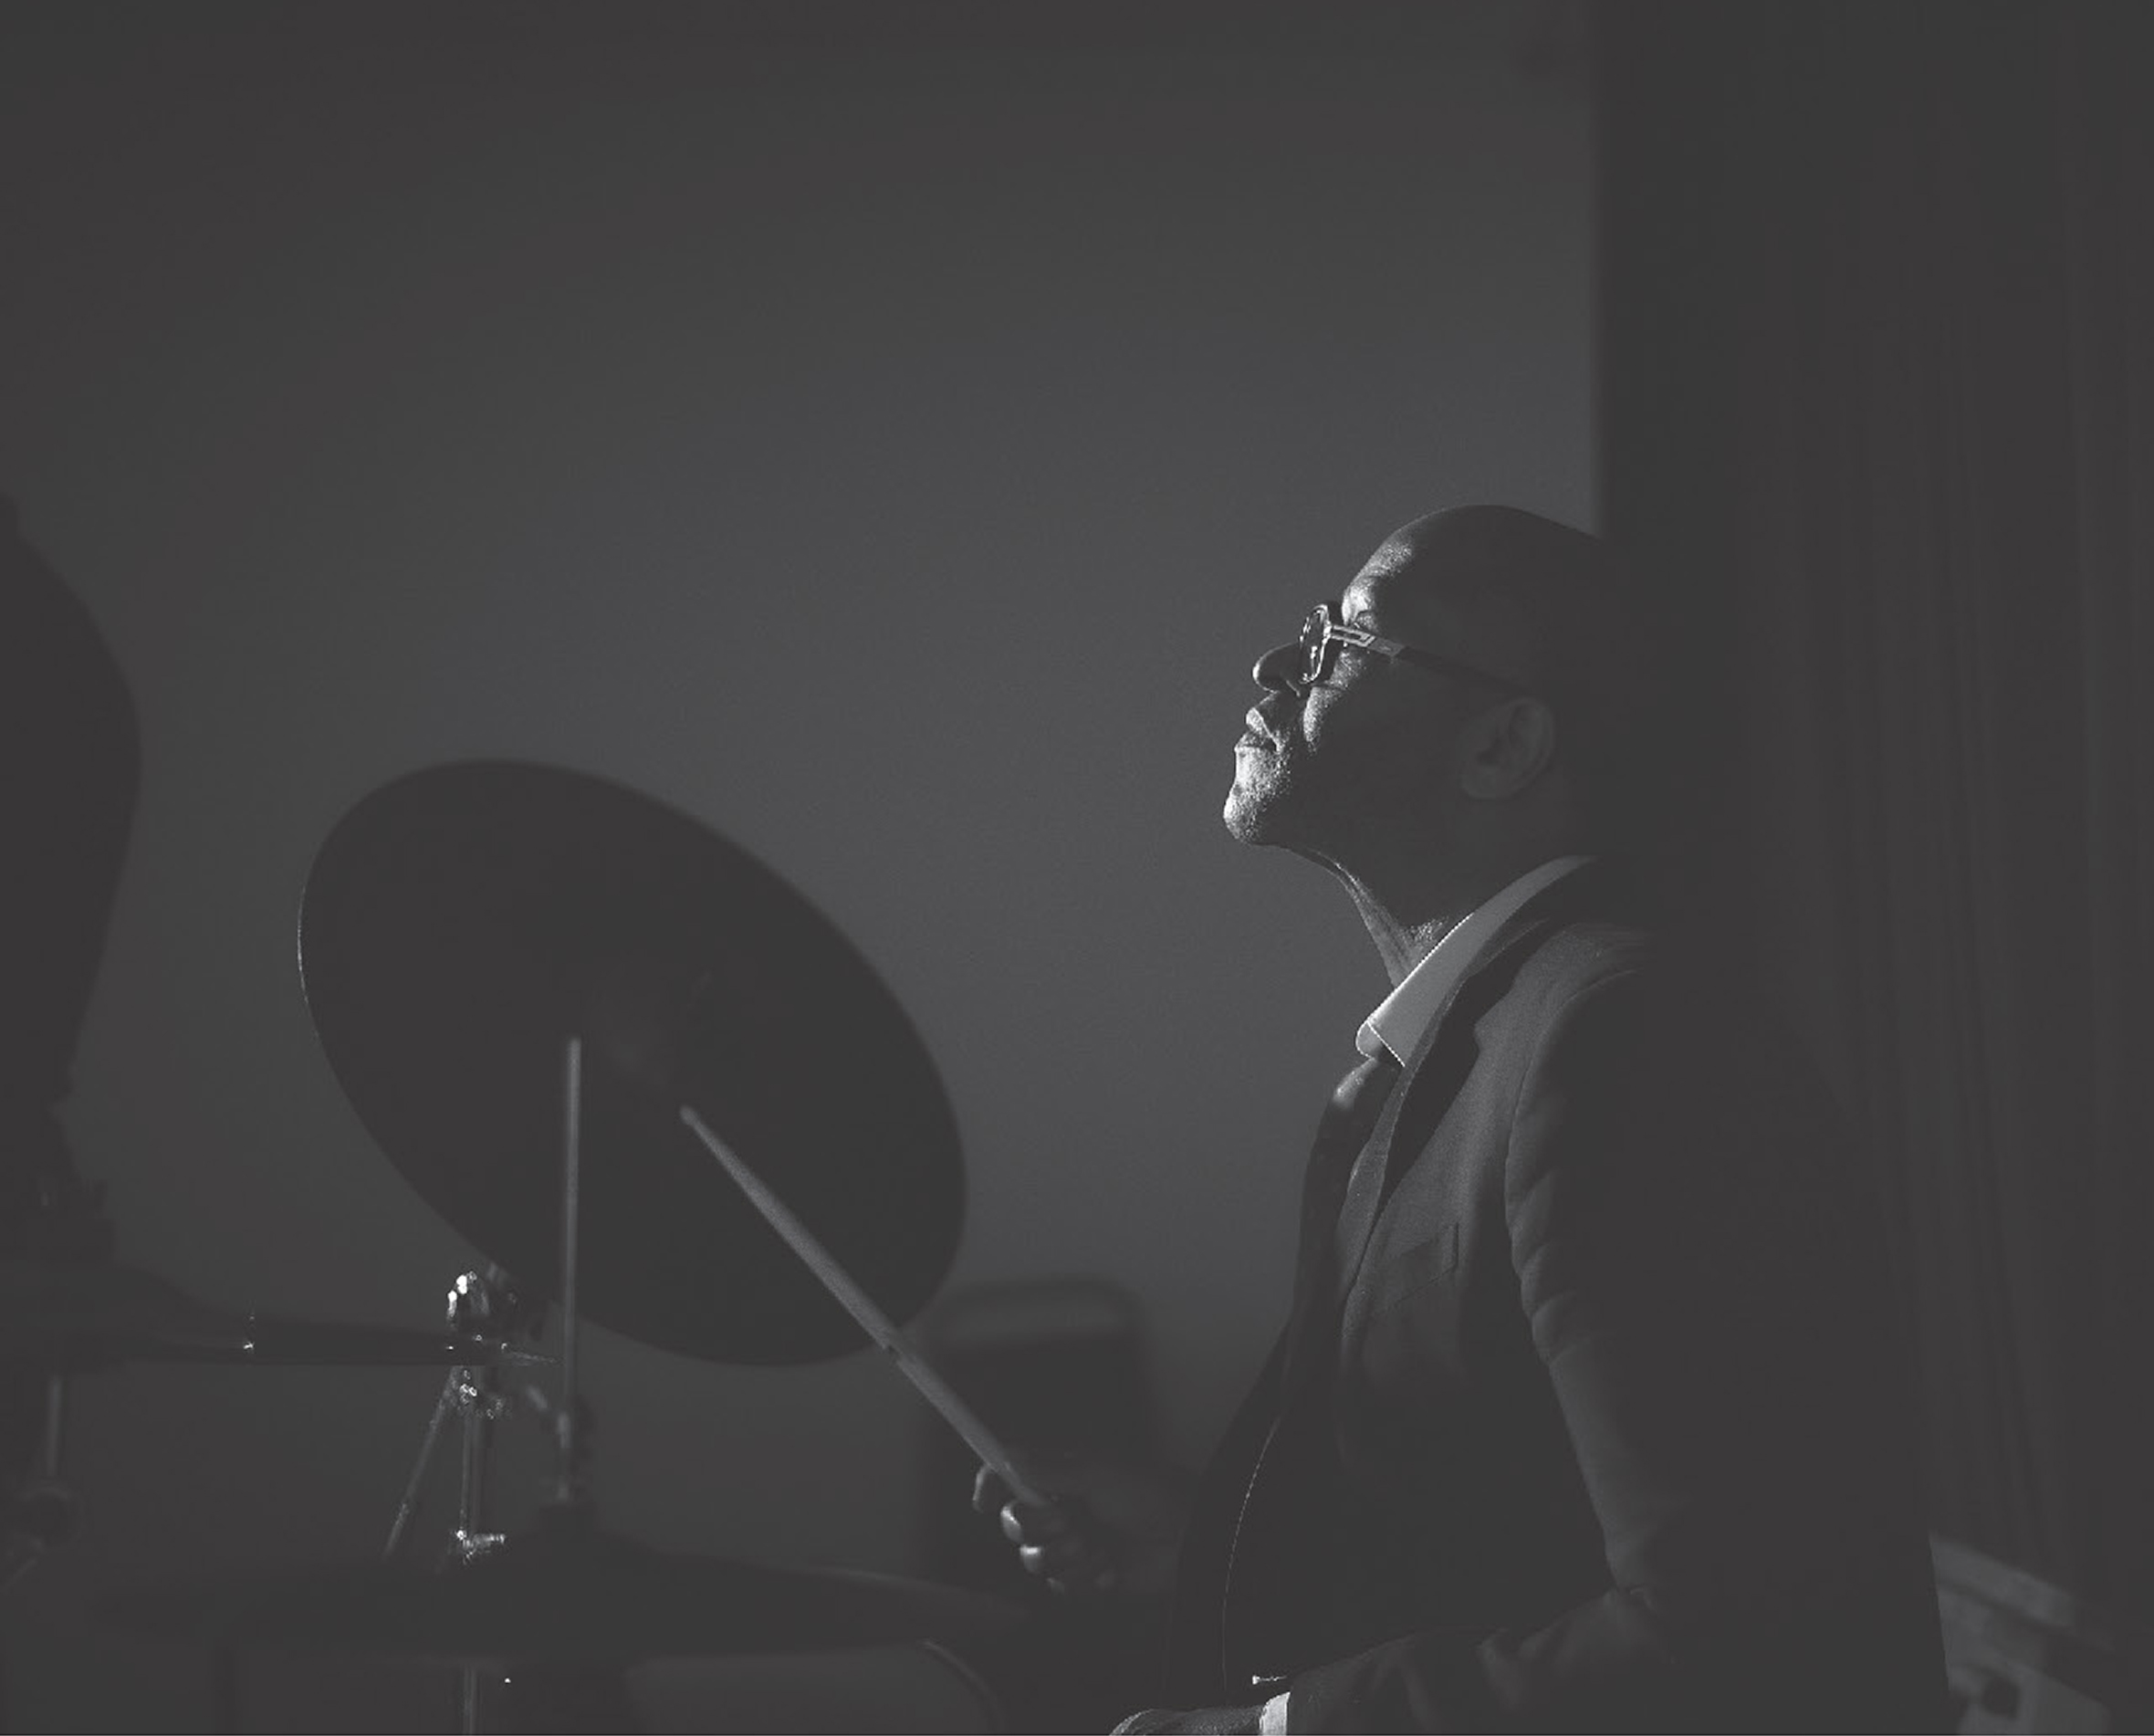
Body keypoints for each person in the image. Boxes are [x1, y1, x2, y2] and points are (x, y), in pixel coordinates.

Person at [977, 507, 1947, 1732]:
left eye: (1345, 640)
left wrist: (1282, 1731)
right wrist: (1213, 1532)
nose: (1278, 665)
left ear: (1502, 745)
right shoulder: (1477, 1045)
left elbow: (1743, 1633)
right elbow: (1515, 1529)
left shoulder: (1624, 1040)